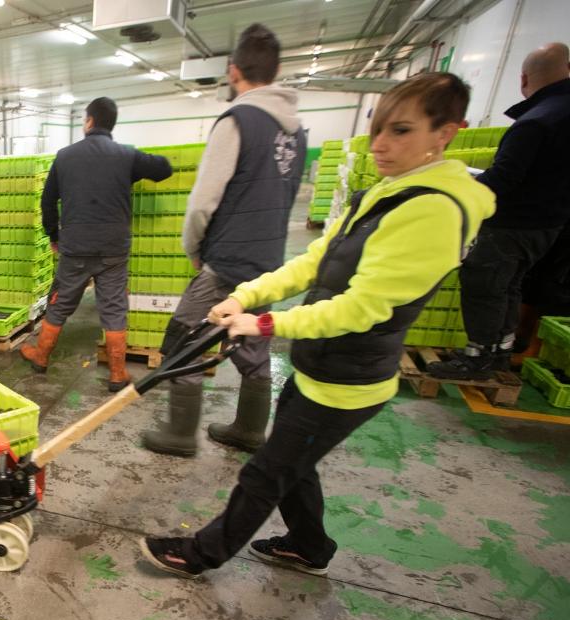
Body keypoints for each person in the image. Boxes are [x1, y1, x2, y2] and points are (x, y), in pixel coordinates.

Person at [137, 73, 494, 579]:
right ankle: (309, 545)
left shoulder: (433, 211)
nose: (382, 145)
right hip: (321, 369)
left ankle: (202, 553)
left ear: (446, 133)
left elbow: (359, 309)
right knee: (291, 463)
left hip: (350, 381)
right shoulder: (389, 194)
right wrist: (245, 294)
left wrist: (260, 324)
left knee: (268, 471)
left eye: (401, 131)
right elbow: (313, 263)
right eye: (378, 130)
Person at [143, 23, 306, 457]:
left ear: (234, 71)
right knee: (253, 341)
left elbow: (203, 202)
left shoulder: (237, 122)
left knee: (185, 338)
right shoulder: (296, 131)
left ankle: (180, 434)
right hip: (269, 261)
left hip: (228, 261)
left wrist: (195, 249)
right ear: (277, 69)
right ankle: (251, 430)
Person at [429, 42, 570, 380]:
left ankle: (477, 358)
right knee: (509, 286)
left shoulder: (535, 122)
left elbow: (502, 179)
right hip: (549, 227)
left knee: (484, 284)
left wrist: (456, 190)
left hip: (511, 224)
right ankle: (499, 353)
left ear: (524, 79)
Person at [20, 97, 172, 391]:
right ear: (111, 124)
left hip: (76, 245)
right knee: (114, 307)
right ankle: (117, 373)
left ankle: (41, 356)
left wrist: (54, 235)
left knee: (61, 301)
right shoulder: (125, 155)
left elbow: (47, 200)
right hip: (114, 247)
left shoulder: (65, 156)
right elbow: (163, 168)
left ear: (89, 121)